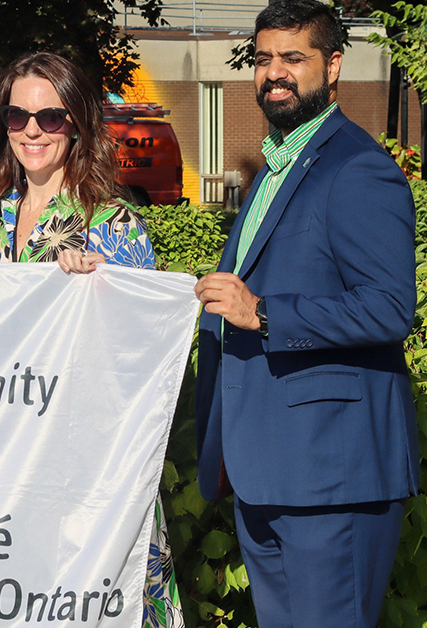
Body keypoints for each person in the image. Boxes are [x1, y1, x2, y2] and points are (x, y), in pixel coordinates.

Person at [193, 2, 417, 626]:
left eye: (294, 58)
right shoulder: (276, 167)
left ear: (334, 64)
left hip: (331, 481)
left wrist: (263, 313)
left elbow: (390, 307)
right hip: (264, 473)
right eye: (264, 59)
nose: (275, 73)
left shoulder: (359, 168)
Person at [0, 52, 180, 628]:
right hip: (8, 470)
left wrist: (96, 295)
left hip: (91, 478)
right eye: (17, 116)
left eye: (50, 117)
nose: (32, 130)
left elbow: (145, 360)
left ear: (79, 124)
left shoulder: (112, 224)